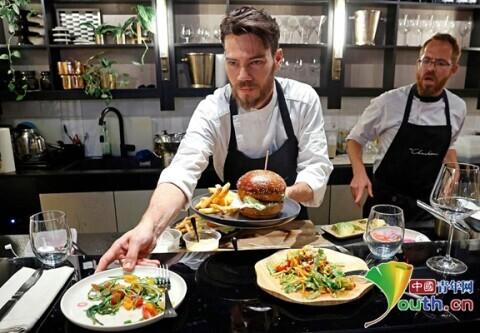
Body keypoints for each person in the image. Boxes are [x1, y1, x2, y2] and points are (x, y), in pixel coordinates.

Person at [96, 6, 332, 272]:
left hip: (290, 237)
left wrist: (275, 200)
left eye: (255, 62)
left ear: (277, 59)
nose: (243, 76)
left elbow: (316, 168)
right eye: (233, 63)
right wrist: (148, 226)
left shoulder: (302, 100)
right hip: (233, 240)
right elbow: (181, 171)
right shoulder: (213, 109)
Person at [346, 33, 466, 225]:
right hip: (385, 209)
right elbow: (354, 140)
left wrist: (453, 168)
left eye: (441, 63)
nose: (431, 68)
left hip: (427, 210)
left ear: (454, 69)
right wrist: (359, 172)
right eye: (426, 60)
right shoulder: (388, 102)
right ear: (418, 63)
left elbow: (449, 145)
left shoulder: (458, 107)